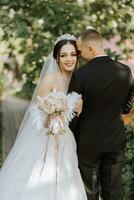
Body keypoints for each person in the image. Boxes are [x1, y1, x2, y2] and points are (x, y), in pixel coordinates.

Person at [0, 34, 87, 200]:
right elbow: (37, 113)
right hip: (45, 138)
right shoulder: (50, 79)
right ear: (56, 58)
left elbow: (77, 116)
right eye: (63, 55)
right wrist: (53, 112)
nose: (69, 59)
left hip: (66, 139)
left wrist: (79, 110)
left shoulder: (78, 79)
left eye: (73, 54)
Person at [68, 28, 134, 200]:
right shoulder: (125, 71)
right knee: (113, 191)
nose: (79, 56)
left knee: (89, 192)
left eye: (80, 51)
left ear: (91, 49)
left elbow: (72, 113)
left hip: (88, 143)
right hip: (114, 141)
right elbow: (126, 108)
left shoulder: (80, 75)